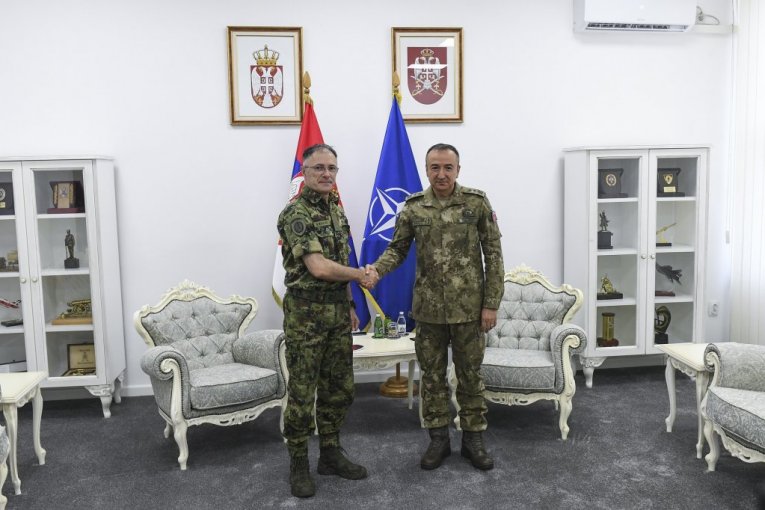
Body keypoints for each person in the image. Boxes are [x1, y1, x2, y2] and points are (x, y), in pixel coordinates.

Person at [365, 143, 504, 471]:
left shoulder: (476, 203)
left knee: (470, 376)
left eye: (447, 167)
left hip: (470, 311)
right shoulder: (414, 208)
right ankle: (438, 439)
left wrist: (491, 304)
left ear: (458, 170)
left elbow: (493, 254)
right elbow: (397, 250)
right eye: (435, 167)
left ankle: (473, 440)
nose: (441, 174)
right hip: (429, 311)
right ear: (427, 170)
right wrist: (376, 271)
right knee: (431, 378)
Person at [276, 143, 371, 498]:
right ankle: (298, 463)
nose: (326, 174)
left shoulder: (336, 211)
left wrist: (349, 303)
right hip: (306, 316)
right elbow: (318, 267)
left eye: (332, 168)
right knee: (303, 392)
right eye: (319, 168)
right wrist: (361, 275)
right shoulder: (295, 213)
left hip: (336, 313)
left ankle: (330, 453)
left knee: (339, 388)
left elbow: (337, 262)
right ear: (305, 172)